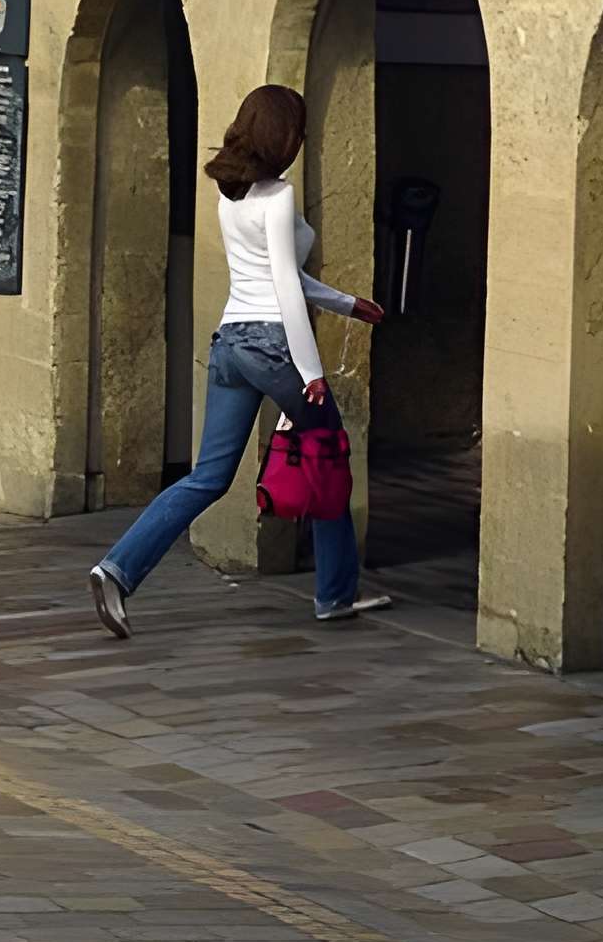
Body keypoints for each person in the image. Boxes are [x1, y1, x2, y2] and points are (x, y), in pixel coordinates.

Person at [89, 82, 390, 638]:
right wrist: (313, 372)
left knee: (207, 477)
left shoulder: (232, 194)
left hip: (229, 343)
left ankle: (117, 570)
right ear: (286, 136)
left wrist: (347, 304)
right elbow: (280, 284)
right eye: (299, 129)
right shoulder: (278, 196)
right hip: (274, 345)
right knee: (328, 457)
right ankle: (335, 595)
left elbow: (278, 277)